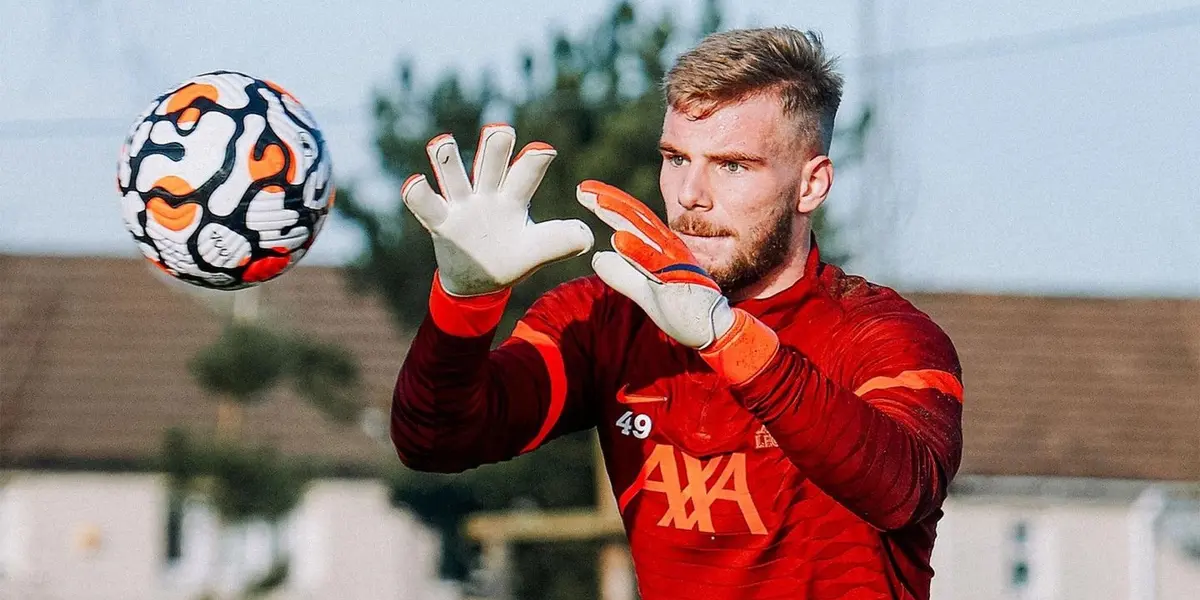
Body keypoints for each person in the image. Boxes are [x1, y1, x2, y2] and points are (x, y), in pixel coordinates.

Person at [391, 26, 964, 600]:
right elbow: (434, 440)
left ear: (811, 185)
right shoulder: (607, 318)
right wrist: (463, 302)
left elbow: (902, 490)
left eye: (733, 165)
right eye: (675, 157)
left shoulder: (885, 336)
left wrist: (727, 338)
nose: (691, 193)